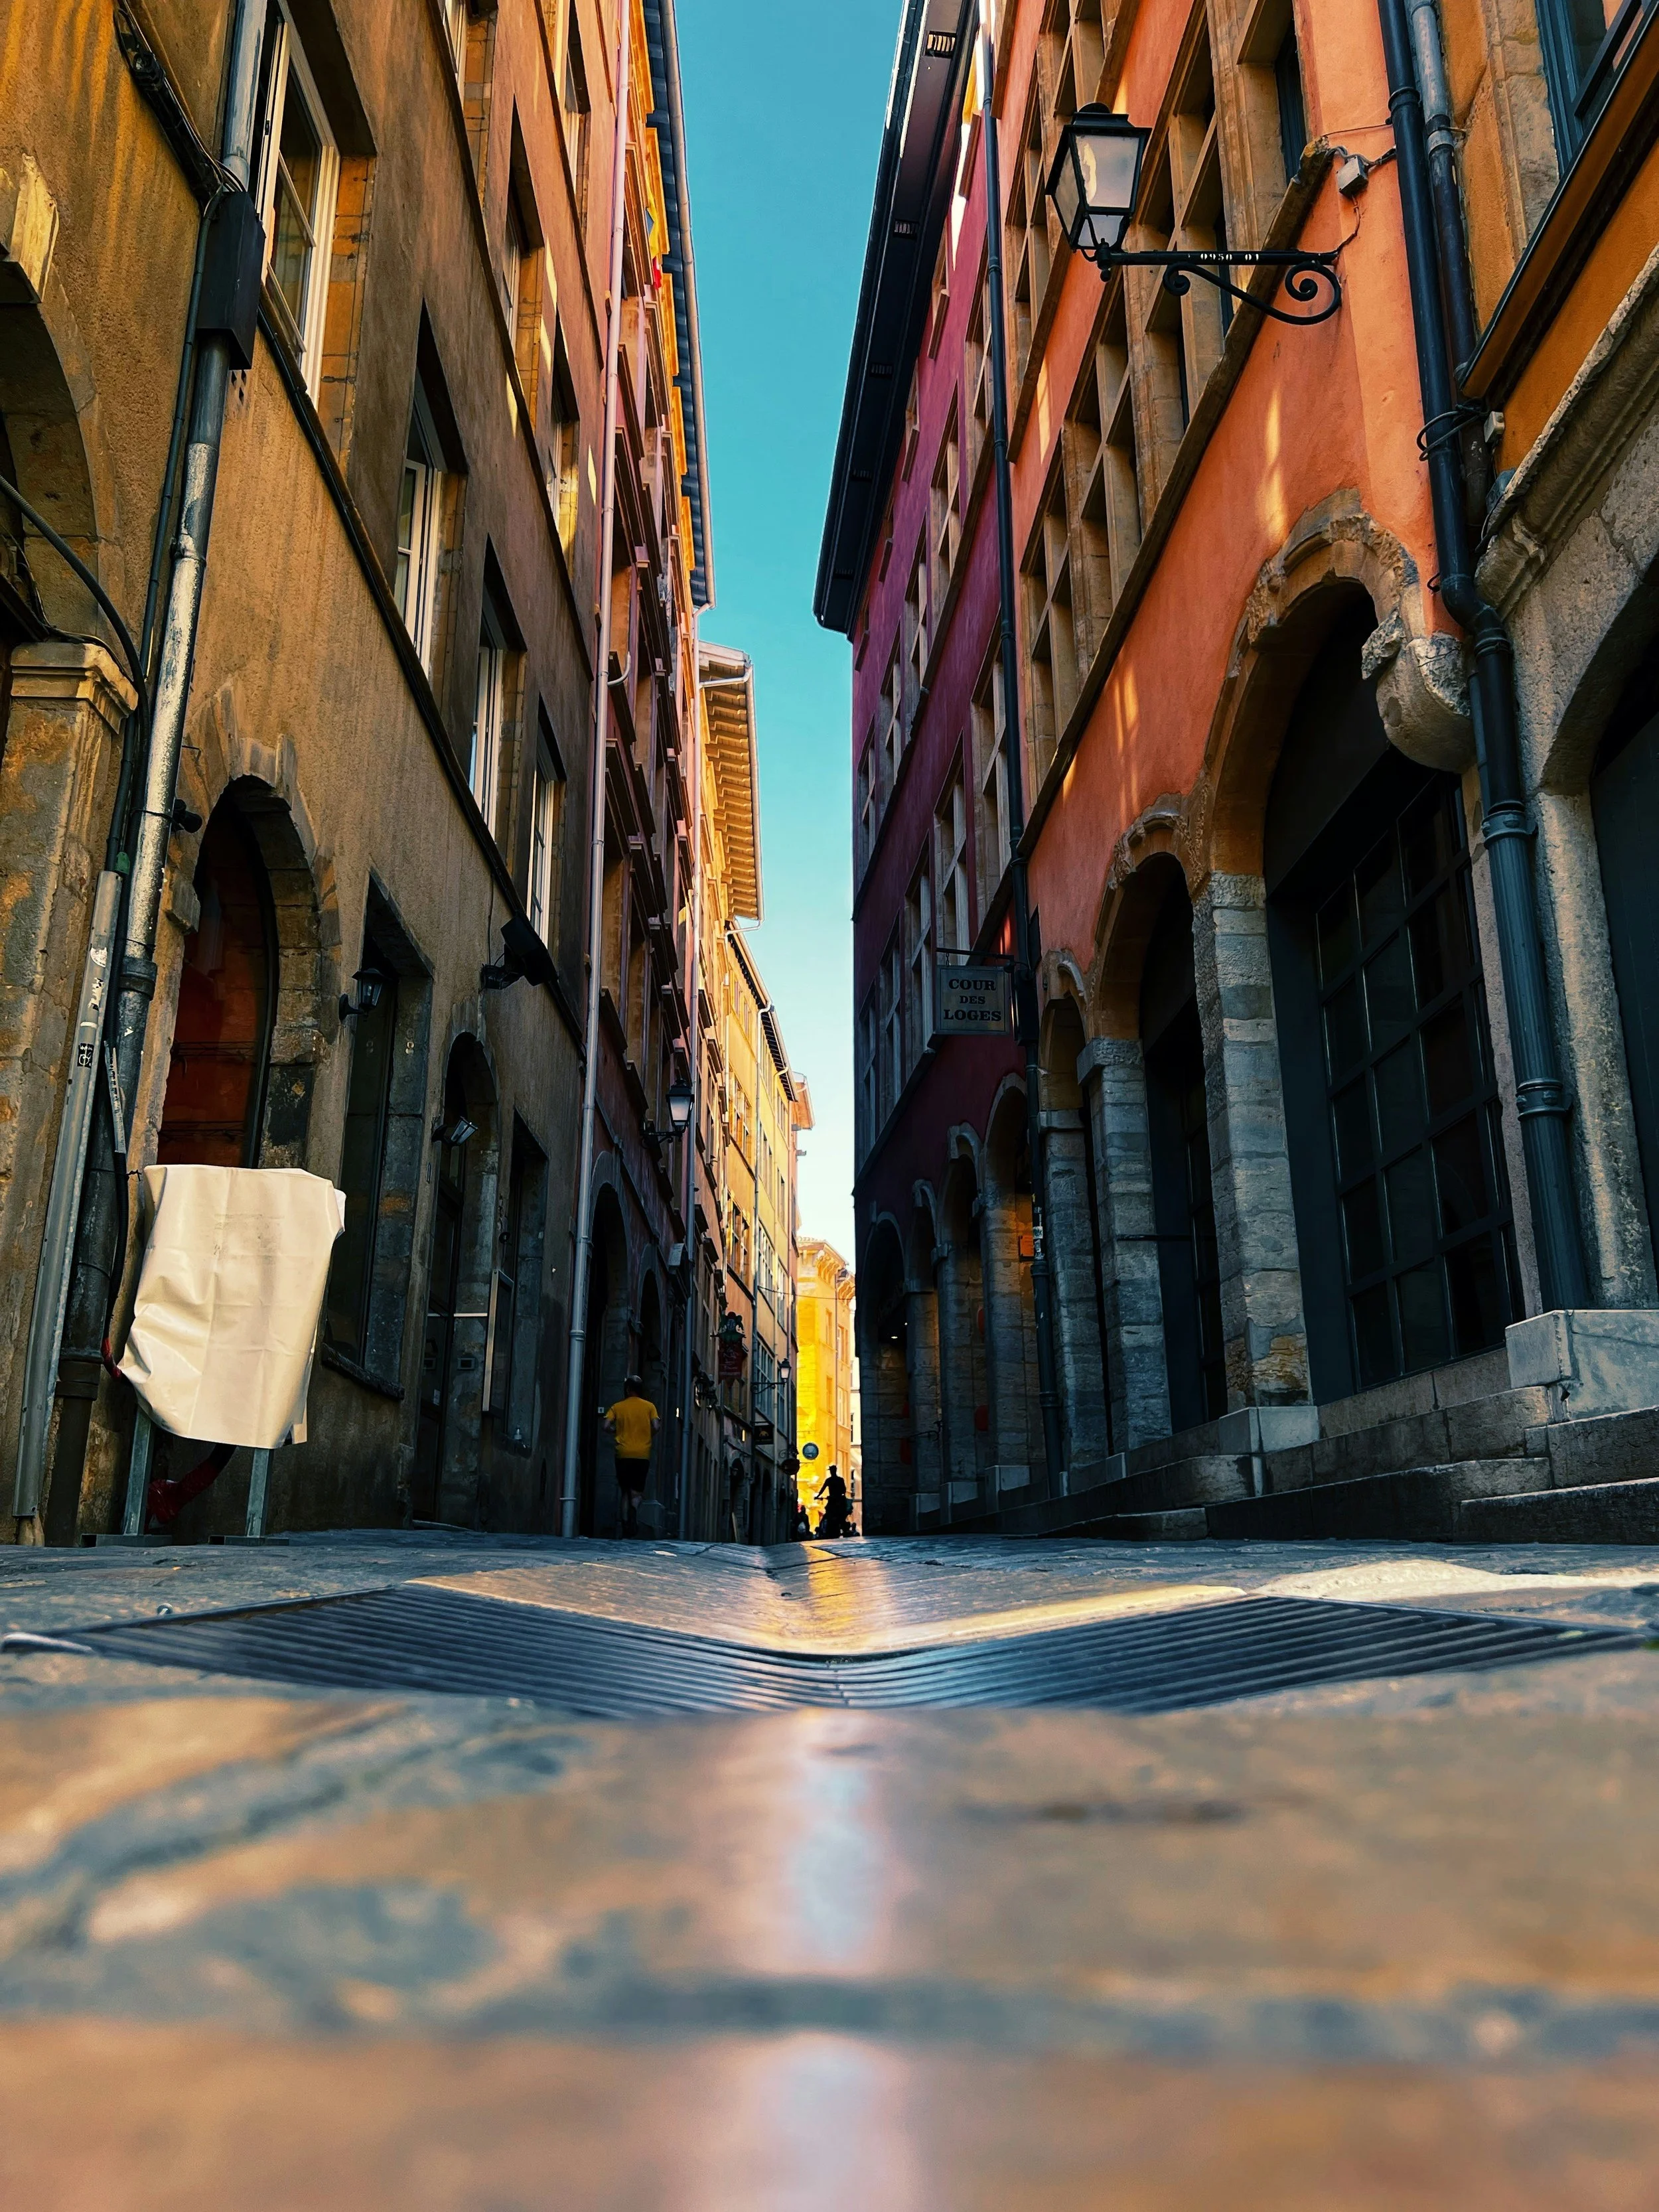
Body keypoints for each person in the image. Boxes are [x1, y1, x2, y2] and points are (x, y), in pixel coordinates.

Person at [603, 1373, 658, 1537]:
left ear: (627, 1390)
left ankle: (626, 1525)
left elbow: (605, 1425)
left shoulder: (617, 1407)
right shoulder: (649, 1407)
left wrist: (615, 1431)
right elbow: (656, 1426)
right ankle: (635, 1514)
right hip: (642, 1454)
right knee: (637, 1492)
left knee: (625, 1490)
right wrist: (648, 1435)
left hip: (623, 1454)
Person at [815, 1465, 851, 1540]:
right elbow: (844, 1490)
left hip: (832, 1500)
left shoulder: (829, 1480)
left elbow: (822, 1489)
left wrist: (817, 1496)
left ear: (832, 1471)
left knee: (827, 1515)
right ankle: (845, 1530)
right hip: (839, 1500)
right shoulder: (841, 1480)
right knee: (842, 1516)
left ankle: (821, 1529)